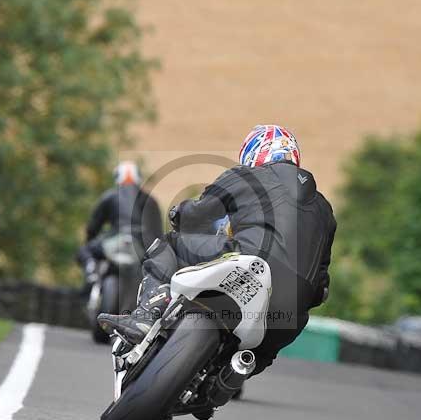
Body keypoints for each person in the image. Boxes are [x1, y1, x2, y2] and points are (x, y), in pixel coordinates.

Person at [99, 125, 336, 376]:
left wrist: (178, 215)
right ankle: (228, 378)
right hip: (291, 307)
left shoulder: (247, 176)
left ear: (255, 153)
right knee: (263, 353)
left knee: (169, 245)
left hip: (249, 259)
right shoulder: (325, 210)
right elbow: (322, 284)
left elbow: (199, 213)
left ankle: (146, 315)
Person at [77, 161, 163, 291]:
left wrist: (90, 241)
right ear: (138, 178)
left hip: (114, 242)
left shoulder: (109, 196)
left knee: (85, 251)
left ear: (117, 178)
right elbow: (158, 233)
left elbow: (93, 227)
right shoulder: (150, 201)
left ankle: (91, 271)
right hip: (141, 247)